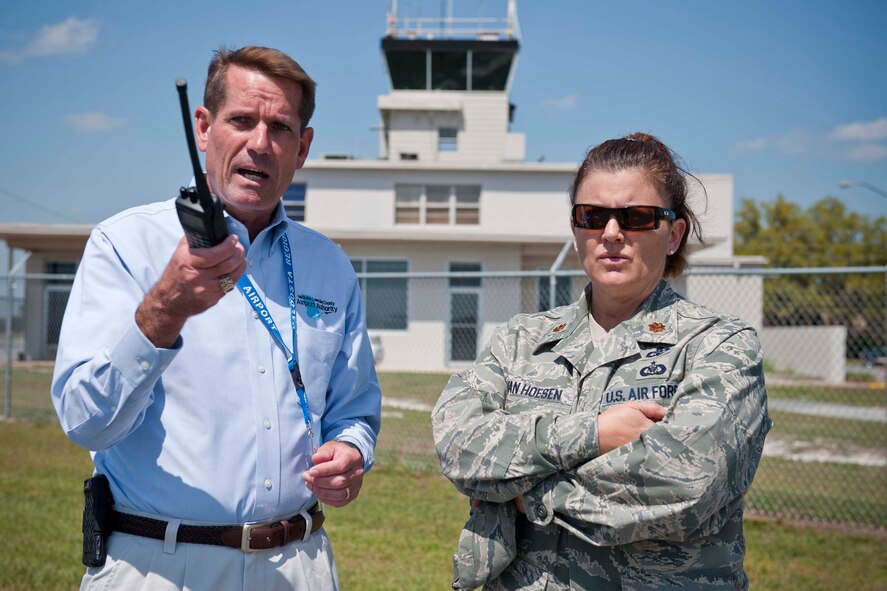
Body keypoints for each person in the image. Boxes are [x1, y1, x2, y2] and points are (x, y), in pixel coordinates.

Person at [51, 46, 381, 590]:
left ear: (303, 148)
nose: (260, 143)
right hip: (159, 563)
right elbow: (87, 422)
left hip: (299, 564)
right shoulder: (126, 245)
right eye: (242, 120)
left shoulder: (330, 266)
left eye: (280, 127)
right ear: (202, 128)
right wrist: (165, 309)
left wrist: (351, 452)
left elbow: (356, 410)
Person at [432, 132, 771, 590]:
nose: (612, 232)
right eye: (592, 216)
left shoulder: (718, 346)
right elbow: (458, 445)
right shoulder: (521, 340)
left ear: (673, 235)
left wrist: (520, 496)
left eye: (636, 217)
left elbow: (687, 483)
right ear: (576, 232)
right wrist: (595, 433)